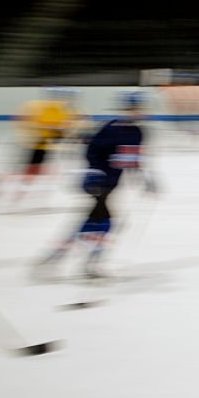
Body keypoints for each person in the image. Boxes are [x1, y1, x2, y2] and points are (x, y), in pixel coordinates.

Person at [35, 92, 155, 279]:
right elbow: (91, 151)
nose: (136, 112)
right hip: (95, 182)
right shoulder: (111, 127)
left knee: (92, 222)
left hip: (111, 183)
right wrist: (93, 174)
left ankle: (57, 255)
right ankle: (90, 263)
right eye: (132, 108)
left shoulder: (139, 133)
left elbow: (132, 159)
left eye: (139, 109)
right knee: (106, 222)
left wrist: (144, 179)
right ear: (125, 109)